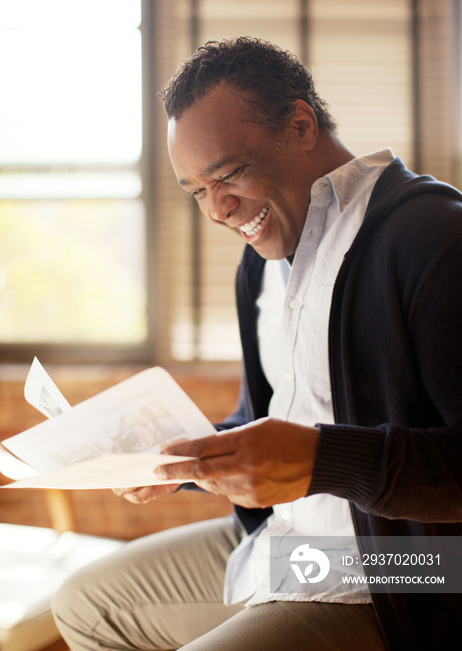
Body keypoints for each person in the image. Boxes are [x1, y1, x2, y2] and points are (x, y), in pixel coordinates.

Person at [52, 37, 462, 650]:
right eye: (196, 190)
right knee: (87, 604)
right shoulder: (261, 264)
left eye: (228, 173)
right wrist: (176, 459)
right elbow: (267, 421)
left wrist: (321, 460)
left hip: (402, 573)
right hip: (284, 544)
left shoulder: (434, 238)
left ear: (300, 125)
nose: (217, 209)